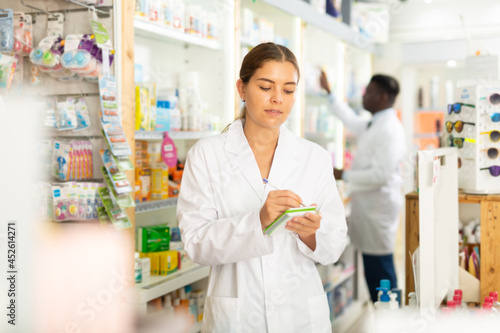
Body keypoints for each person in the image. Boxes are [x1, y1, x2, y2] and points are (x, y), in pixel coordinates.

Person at [177, 43, 348, 332]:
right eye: (266, 87)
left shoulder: (314, 157)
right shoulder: (207, 155)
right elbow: (196, 243)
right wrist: (258, 221)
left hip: (300, 315)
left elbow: (334, 245)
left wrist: (312, 234)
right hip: (238, 316)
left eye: (289, 90)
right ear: (241, 89)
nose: (277, 99)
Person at [320, 71, 406, 303]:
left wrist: (342, 174)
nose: (364, 96)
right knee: (375, 274)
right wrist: (330, 94)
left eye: (369, 91)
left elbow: (380, 174)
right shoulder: (375, 122)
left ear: (384, 97)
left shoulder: (389, 129)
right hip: (370, 208)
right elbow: (351, 121)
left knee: (382, 275)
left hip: (377, 211)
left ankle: (391, 321)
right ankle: (386, 316)